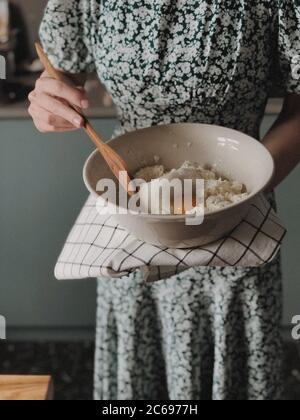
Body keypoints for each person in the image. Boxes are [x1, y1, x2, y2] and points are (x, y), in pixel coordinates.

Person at [28, 0, 300, 400]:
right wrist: (48, 99)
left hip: (237, 226)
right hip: (132, 222)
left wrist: (236, 196)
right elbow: (60, 72)